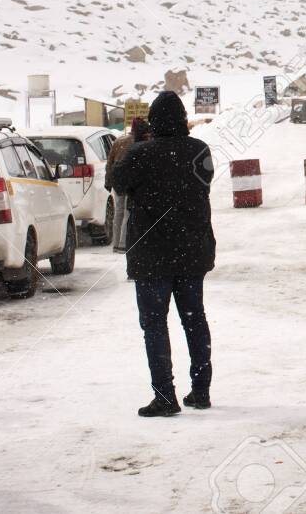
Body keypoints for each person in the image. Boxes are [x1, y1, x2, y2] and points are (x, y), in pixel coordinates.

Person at [110, 91, 216, 417]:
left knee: (155, 326)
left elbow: (116, 182)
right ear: (184, 120)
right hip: (191, 250)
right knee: (194, 319)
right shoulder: (199, 150)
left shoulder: (141, 154)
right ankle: (200, 391)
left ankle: (164, 396)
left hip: (151, 255)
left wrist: (134, 147)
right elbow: (205, 180)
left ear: (153, 122)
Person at [105, 118, 151, 253]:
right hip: (131, 180)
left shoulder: (119, 141)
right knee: (127, 212)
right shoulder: (141, 142)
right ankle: (123, 243)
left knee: (118, 213)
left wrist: (108, 181)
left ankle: (115, 243)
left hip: (117, 180)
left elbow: (109, 162)